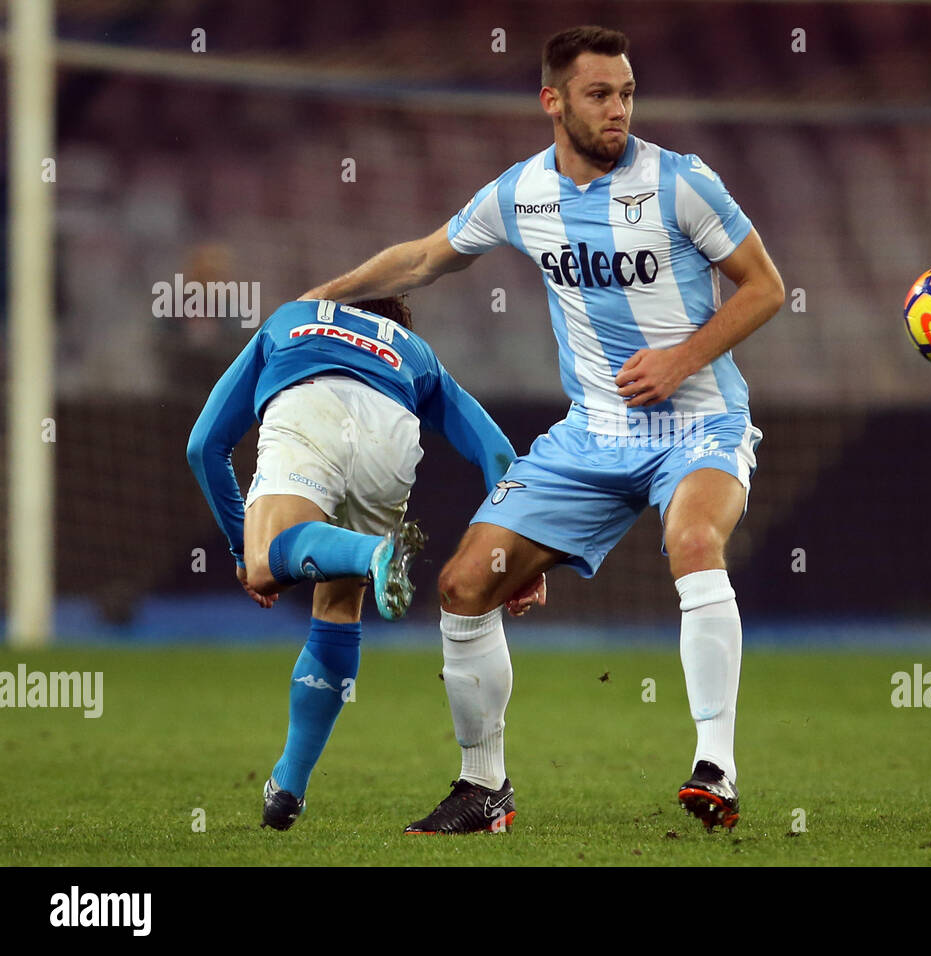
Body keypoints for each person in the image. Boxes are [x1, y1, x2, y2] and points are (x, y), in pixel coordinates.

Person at [299, 25, 785, 834]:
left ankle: (716, 768)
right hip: (591, 437)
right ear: (552, 101)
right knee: (462, 585)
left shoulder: (682, 183)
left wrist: (680, 359)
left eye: (627, 92)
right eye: (600, 94)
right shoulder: (521, 194)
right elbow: (421, 259)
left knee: (695, 541)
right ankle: (484, 789)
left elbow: (764, 288)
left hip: (699, 423)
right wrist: (316, 302)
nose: (619, 110)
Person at [186, 296, 517, 830]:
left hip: (309, 406)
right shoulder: (418, 355)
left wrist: (242, 552)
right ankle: (286, 788)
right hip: (392, 431)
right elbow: (497, 453)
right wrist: (524, 554)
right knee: (338, 605)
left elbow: (204, 446)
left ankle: (371, 556)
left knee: (273, 559)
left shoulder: (290, 320)